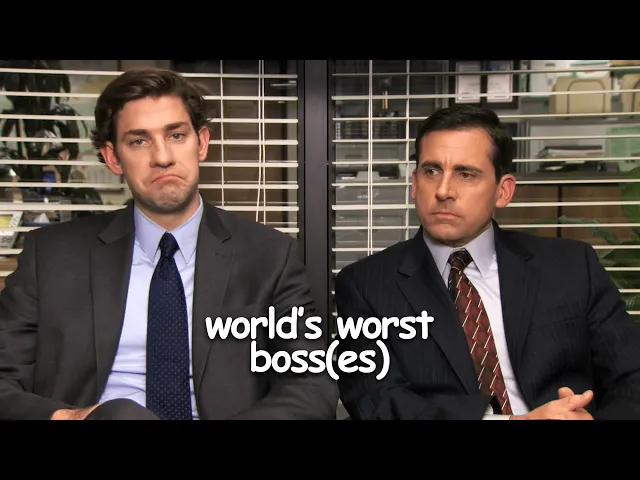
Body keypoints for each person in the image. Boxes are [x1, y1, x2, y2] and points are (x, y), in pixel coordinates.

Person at [0, 67, 338, 420]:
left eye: (176, 135)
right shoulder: (51, 257)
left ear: (201, 143)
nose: (162, 157)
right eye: (139, 141)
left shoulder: (270, 256)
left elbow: (312, 384)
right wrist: (69, 418)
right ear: (113, 157)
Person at [334, 104, 640, 420]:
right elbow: (378, 401)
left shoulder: (571, 266)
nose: (443, 191)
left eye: (466, 174)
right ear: (414, 184)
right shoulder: (366, 285)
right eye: (431, 171)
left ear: (503, 191)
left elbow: (633, 376)